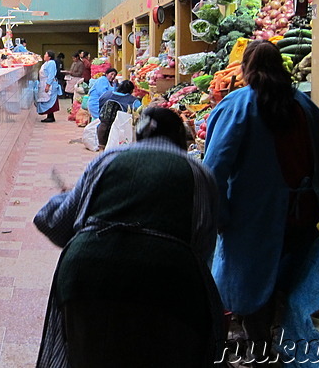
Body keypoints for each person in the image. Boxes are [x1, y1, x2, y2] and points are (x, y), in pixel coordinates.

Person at [34, 106, 222, 367]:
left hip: (86, 274)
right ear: (182, 138)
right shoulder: (199, 172)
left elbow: (53, 224)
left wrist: (67, 197)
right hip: (168, 283)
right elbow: (200, 250)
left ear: (138, 136)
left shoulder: (109, 158)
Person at [204, 40, 319, 358]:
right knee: (289, 292)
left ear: (246, 70)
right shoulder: (308, 108)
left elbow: (213, 171)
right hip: (303, 221)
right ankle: (282, 349)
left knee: (252, 292)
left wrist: (222, 217)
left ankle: (259, 352)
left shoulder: (238, 106)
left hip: (252, 221)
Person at [97, 79, 141, 150]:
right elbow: (138, 112)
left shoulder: (107, 94)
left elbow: (100, 104)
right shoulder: (133, 101)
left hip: (102, 130)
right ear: (131, 91)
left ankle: (101, 147)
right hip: (121, 130)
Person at [35, 51, 62, 123]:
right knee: (46, 100)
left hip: (49, 85)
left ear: (49, 57)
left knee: (49, 100)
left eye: (45, 54)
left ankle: (50, 116)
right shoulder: (46, 63)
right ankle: (50, 116)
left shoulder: (51, 63)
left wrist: (48, 85)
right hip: (43, 83)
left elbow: (51, 75)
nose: (44, 55)